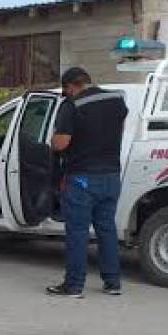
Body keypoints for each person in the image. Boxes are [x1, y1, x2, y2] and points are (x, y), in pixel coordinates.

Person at [47, 67, 129, 298]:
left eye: (67, 90)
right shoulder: (116, 100)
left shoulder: (72, 105)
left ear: (71, 86)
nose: (67, 94)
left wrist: (52, 142)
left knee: (78, 232)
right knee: (107, 230)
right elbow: (120, 130)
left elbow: (61, 143)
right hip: (111, 175)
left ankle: (73, 286)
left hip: (82, 178)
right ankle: (112, 283)